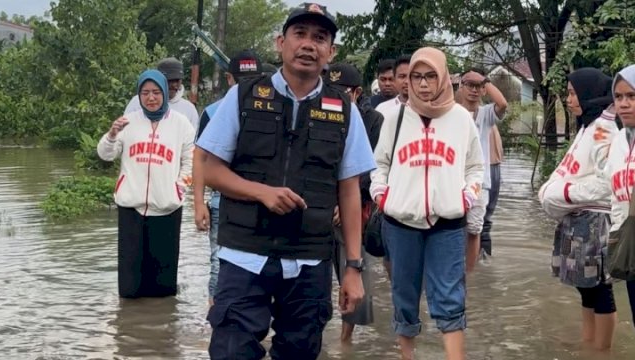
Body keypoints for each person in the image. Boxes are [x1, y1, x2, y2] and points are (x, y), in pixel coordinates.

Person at [195, 3, 375, 359]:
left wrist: (353, 268)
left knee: (300, 352)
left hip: (309, 261)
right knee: (231, 352)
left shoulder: (344, 109)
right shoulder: (243, 97)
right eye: (300, 34)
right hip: (244, 255)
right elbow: (211, 170)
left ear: (330, 52)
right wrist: (261, 192)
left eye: (319, 38)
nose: (309, 44)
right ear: (281, 42)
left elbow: (350, 191)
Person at [370, 47, 483, 360]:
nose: (422, 84)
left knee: (450, 295)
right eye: (417, 77)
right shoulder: (393, 118)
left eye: (430, 76)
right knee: (404, 295)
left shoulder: (461, 119)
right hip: (400, 222)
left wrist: (467, 196)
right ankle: (408, 356)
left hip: (447, 223)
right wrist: (383, 195)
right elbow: (378, 165)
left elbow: (476, 166)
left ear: (443, 77)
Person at [97, 69, 195, 298]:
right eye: (145, 93)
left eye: (156, 92)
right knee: (130, 285)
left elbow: (190, 161)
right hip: (131, 208)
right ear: (139, 96)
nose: (151, 98)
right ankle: (130, 327)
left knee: (163, 284)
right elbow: (105, 154)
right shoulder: (127, 122)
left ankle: (161, 327)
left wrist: (179, 189)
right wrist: (111, 134)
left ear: (164, 93)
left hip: (167, 208)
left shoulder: (182, 125)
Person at [539, 68, 618, 350]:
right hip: (579, 217)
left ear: (588, 94)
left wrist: (565, 193)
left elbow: (607, 184)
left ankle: (602, 350)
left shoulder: (604, 131)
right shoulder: (588, 126)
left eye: (572, 93)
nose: (569, 99)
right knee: (584, 287)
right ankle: (589, 342)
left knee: (599, 288)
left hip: (595, 220)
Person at [193, 49, 263, 306]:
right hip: (222, 200)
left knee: (261, 265)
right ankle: (216, 322)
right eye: (241, 79)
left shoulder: (273, 109)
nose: (247, 85)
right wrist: (198, 203)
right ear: (229, 79)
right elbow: (200, 158)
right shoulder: (213, 112)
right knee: (218, 261)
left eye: (253, 79)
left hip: (262, 200)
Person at [326, 62, 384, 343]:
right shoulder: (321, 114)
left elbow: (369, 168)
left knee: (354, 269)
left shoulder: (373, 121)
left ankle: (345, 340)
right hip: (320, 205)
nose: (336, 96)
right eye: (331, 89)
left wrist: (345, 202)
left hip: (354, 206)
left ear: (357, 92)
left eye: (343, 91)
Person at [456, 69, 507, 270]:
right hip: (455, 180)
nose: (474, 90)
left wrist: (484, 80)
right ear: (461, 87)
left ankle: (468, 275)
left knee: (475, 228)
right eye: (470, 85)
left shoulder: (486, 114)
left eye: (478, 87)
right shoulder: (452, 111)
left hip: (480, 181)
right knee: (454, 228)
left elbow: (502, 104)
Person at [604, 64, 635, 329]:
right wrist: (616, 235)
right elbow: (615, 197)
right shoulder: (619, 142)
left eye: (632, 96)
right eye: (619, 97)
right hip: (631, 249)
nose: (624, 104)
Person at [125, 57, 199, 132]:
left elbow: (191, 139)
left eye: (177, 80)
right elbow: (125, 132)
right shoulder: (137, 102)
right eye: (169, 81)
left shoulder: (189, 109)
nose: (174, 85)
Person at [482, 124, 503, 257]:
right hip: (492, 164)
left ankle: (481, 261)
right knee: (484, 221)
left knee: (482, 221)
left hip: (489, 164)